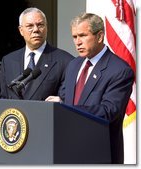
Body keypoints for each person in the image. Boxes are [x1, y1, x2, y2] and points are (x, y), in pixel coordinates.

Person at [45, 13, 135, 164]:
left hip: (99, 154)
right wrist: (59, 102)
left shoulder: (119, 70)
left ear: (99, 36)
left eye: (82, 35)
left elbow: (108, 111)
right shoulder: (74, 65)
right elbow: (66, 97)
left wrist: (65, 107)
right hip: (68, 151)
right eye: (74, 37)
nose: (77, 42)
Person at [0, 7, 74, 100]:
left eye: (40, 25)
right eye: (30, 26)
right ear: (21, 30)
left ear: (46, 27)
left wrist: (60, 101)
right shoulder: (8, 61)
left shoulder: (65, 61)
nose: (36, 30)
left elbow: (68, 99)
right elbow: (3, 98)